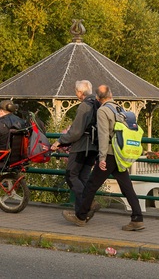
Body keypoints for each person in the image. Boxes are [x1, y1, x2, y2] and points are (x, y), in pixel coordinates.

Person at [62, 85, 145, 231]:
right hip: (120, 154)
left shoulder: (103, 110)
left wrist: (101, 158)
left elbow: (103, 135)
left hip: (110, 154)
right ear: (111, 94)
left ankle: (80, 217)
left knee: (91, 186)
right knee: (127, 186)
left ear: (98, 98)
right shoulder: (120, 109)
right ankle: (137, 218)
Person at [50, 80, 100, 216]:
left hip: (82, 147)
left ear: (79, 92)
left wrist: (60, 141)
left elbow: (76, 132)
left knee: (71, 175)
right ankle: (82, 214)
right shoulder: (97, 104)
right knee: (83, 178)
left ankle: (88, 203)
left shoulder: (84, 106)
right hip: (95, 147)